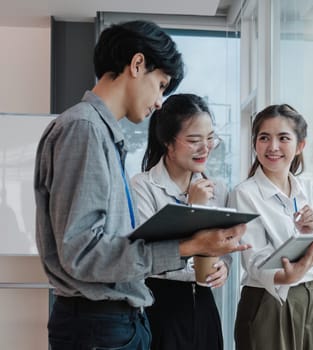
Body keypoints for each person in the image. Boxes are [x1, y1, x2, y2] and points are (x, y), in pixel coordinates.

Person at [34, 20, 248, 350]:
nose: (160, 102)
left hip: (113, 322)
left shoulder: (99, 133)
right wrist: (189, 246)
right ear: (137, 65)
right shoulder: (85, 130)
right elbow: (82, 253)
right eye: (161, 84)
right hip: (99, 325)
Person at [227, 104, 313, 350]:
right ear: (255, 144)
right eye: (264, 138)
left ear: (300, 146)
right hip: (268, 303)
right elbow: (255, 260)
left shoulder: (310, 190)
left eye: (283, 138)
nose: (273, 147)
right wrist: (289, 273)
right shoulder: (245, 194)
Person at [131, 93, 229, 350]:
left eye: (210, 139)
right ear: (167, 142)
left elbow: (221, 245)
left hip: (205, 305)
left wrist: (224, 267)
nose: (205, 148)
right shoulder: (143, 186)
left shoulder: (217, 188)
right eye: (194, 140)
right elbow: (143, 257)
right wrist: (191, 207)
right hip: (160, 305)